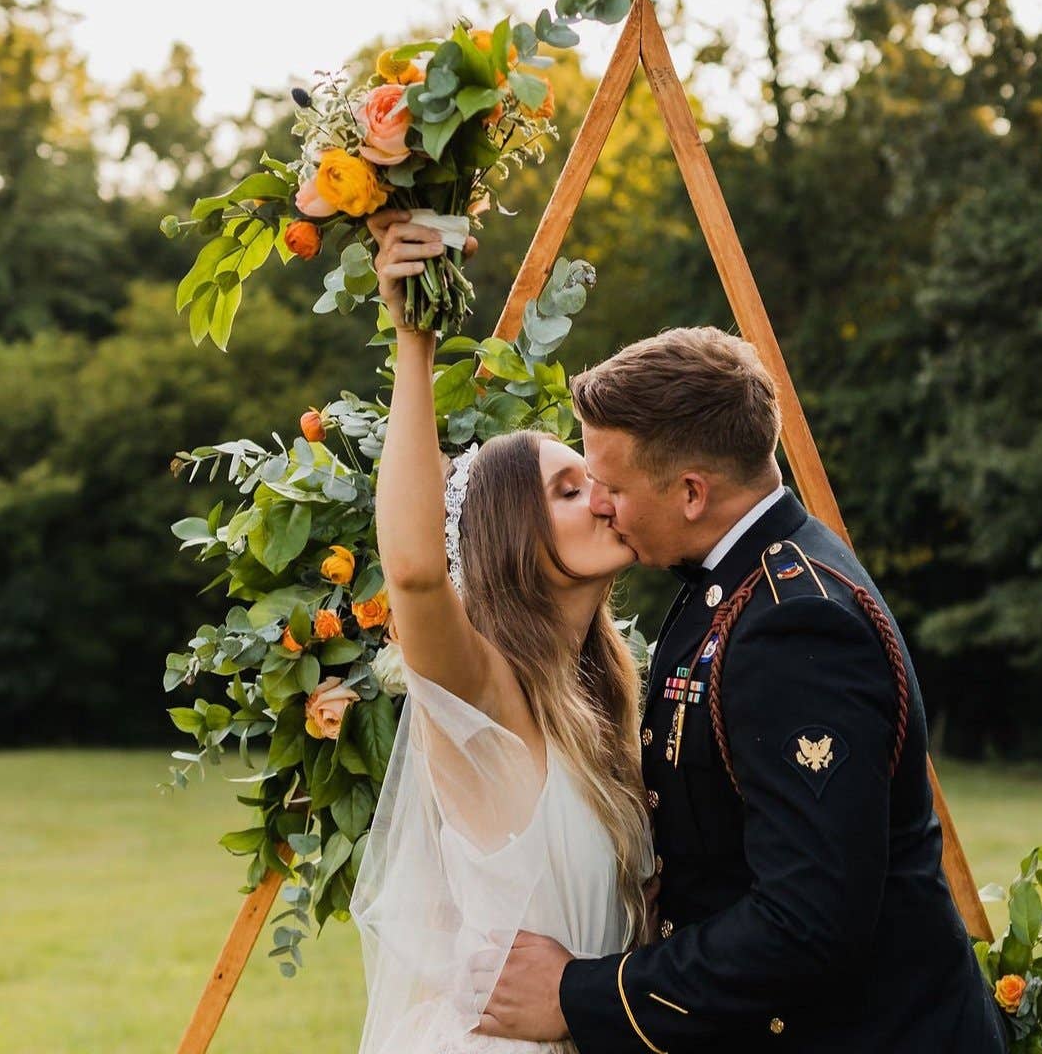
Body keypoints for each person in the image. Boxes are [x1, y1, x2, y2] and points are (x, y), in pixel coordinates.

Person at [474, 326, 1008, 1052]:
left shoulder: (797, 625)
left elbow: (807, 920)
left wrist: (581, 994)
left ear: (692, 492)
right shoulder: (740, 581)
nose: (604, 505)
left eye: (614, 485)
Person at [350, 209, 655, 1054]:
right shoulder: (487, 697)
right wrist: (413, 337)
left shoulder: (603, 708)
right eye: (566, 489)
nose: (601, 494)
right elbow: (413, 571)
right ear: (511, 535)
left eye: (591, 478)